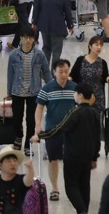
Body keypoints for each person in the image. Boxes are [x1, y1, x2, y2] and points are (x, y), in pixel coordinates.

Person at [49, 83, 101, 214]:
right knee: (85, 186)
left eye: (75, 93)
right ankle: (83, 211)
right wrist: (94, 157)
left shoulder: (74, 112)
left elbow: (60, 128)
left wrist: (40, 135)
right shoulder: (95, 113)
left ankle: (82, 210)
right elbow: (97, 137)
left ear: (80, 95)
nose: (74, 96)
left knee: (71, 186)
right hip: (87, 157)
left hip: (72, 156)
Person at [31, 59, 76, 202]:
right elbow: (39, 108)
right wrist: (38, 126)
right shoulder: (47, 88)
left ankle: (72, 188)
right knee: (53, 160)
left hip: (71, 132)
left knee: (71, 160)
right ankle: (55, 188)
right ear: (54, 72)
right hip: (53, 131)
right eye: (60, 71)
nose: (63, 74)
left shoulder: (75, 88)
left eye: (66, 71)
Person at [7, 27, 51, 155]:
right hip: (17, 92)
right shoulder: (13, 55)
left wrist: (51, 88)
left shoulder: (39, 55)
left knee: (31, 120)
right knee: (16, 119)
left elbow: (46, 73)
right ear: (20, 38)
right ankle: (18, 136)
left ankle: (28, 143)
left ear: (34, 40)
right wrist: (9, 91)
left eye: (31, 37)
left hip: (34, 92)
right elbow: (10, 74)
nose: (28, 40)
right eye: (25, 37)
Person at [32, 0, 74, 65]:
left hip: (43, 25)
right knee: (56, 52)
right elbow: (67, 13)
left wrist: (34, 22)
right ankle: (54, 74)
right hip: (58, 27)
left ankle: (45, 72)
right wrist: (70, 25)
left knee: (46, 48)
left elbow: (36, 8)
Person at [70, 36, 109, 111]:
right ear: (90, 46)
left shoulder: (103, 62)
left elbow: (106, 76)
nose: (99, 47)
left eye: (101, 45)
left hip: (98, 97)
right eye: (96, 45)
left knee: (97, 119)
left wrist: (108, 78)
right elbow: (72, 75)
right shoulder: (80, 60)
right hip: (82, 96)